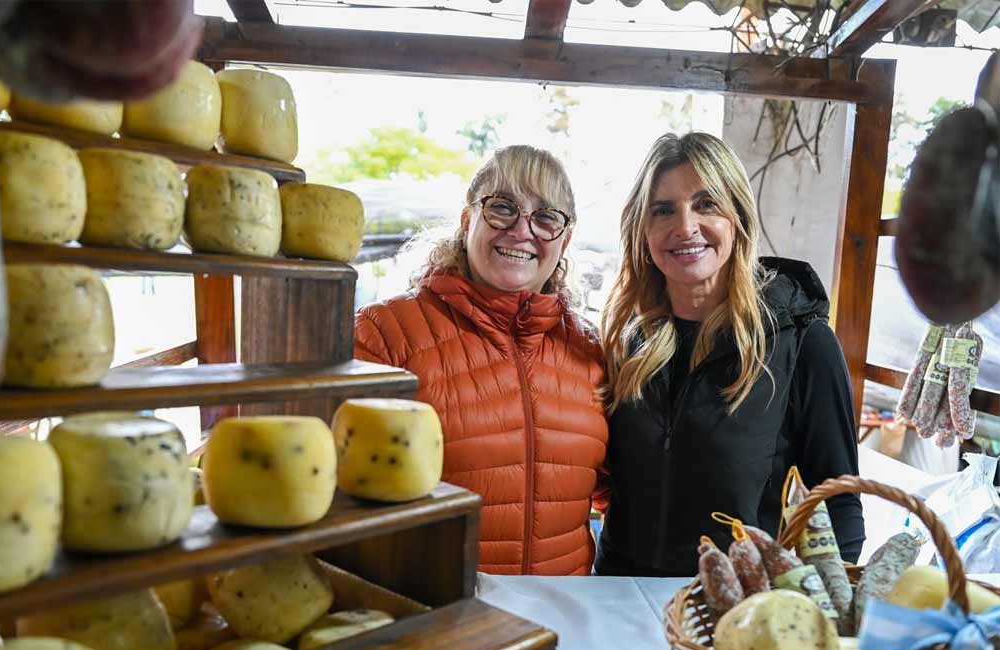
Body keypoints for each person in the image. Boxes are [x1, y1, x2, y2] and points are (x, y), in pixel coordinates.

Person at [595, 131, 864, 577]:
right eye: (663, 210)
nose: (685, 227)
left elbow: (838, 499)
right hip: (619, 593)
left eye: (706, 204)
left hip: (742, 606)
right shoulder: (629, 340)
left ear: (737, 217)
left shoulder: (802, 342)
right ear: (642, 230)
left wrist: (832, 612)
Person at [355, 145, 608, 575]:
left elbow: (610, 488)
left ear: (563, 241)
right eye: (503, 207)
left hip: (564, 614)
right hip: (438, 614)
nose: (521, 231)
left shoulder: (590, 349)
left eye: (546, 218)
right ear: (468, 220)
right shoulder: (383, 335)